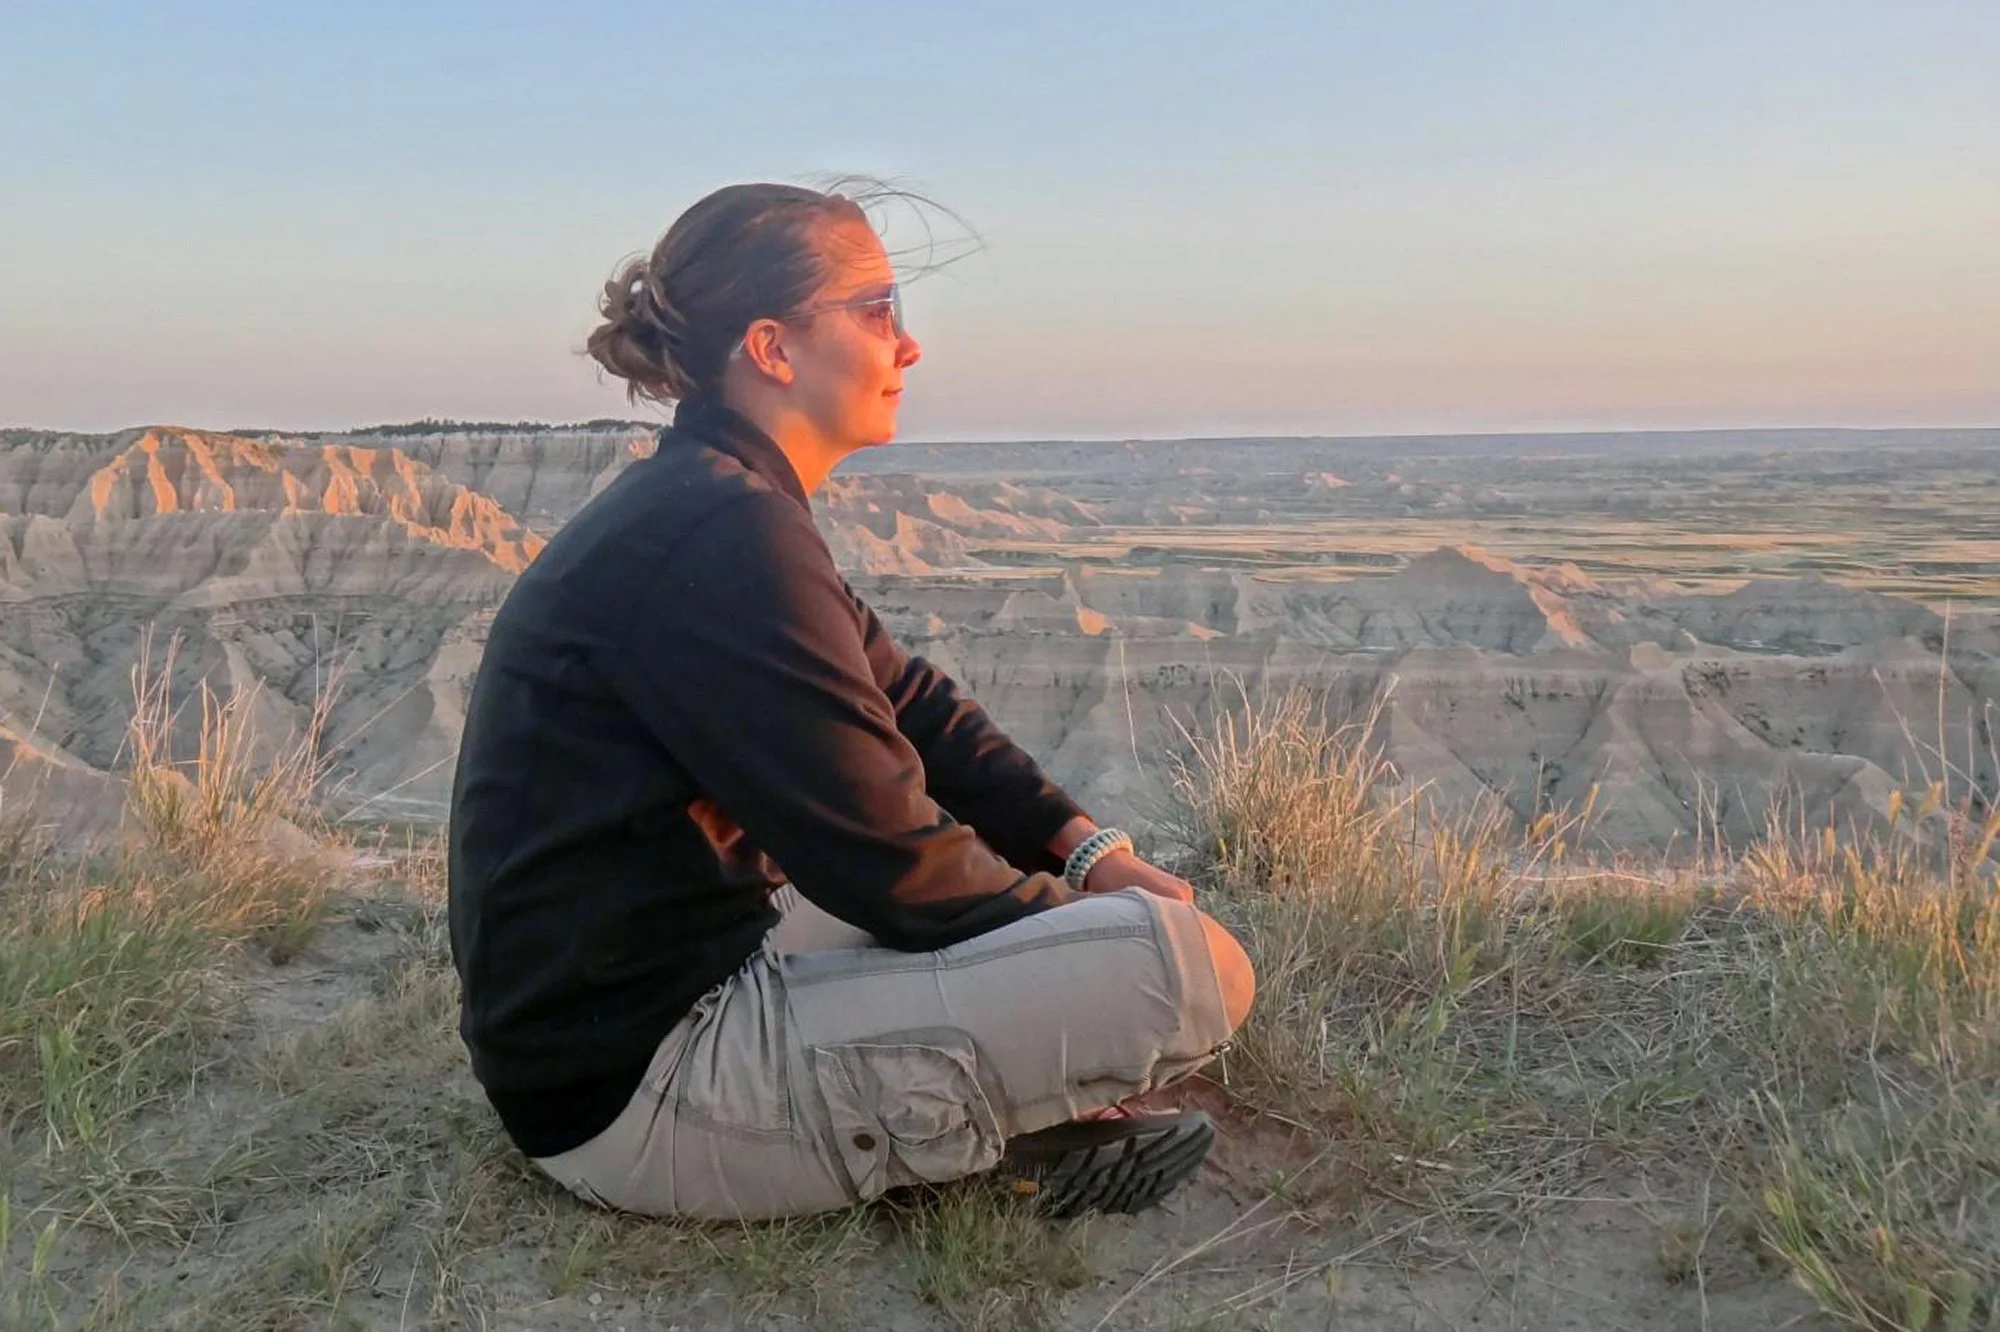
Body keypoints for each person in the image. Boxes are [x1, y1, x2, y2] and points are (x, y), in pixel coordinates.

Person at [446, 180, 1255, 1222]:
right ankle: (971, 1149)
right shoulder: (718, 533)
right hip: (642, 1089)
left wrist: (1081, 849)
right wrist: (1081, 932)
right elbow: (893, 866)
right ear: (774, 348)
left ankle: (986, 1115)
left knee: (1061, 915)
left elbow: (910, 702)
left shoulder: (716, 501)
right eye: (878, 312)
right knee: (1186, 971)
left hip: (620, 1015)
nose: (906, 347)